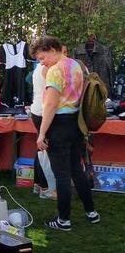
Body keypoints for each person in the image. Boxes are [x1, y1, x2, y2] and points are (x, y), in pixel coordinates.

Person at [31, 36, 99, 231]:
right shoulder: (77, 65)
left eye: (42, 57)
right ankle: (91, 212)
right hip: (75, 124)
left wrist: (41, 133)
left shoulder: (54, 71)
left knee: (62, 175)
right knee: (77, 171)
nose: (41, 62)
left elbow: (51, 104)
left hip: (58, 126)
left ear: (52, 49)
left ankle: (64, 220)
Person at [28, 61, 56, 199]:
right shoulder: (48, 67)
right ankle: (46, 189)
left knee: (41, 149)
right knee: (45, 150)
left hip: (37, 110)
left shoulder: (39, 67)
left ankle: (38, 184)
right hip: (44, 111)